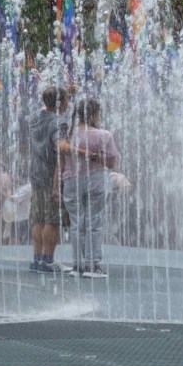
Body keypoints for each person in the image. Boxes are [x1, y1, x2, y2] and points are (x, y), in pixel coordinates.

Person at [60, 97, 119, 278]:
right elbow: (110, 163)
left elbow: (61, 155)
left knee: (77, 223)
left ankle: (78, 265)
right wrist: (95, 157)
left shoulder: (68, 134)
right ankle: (92, 265)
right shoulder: (104, 135)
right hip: (96, 179)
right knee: (94, 221)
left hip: (71, 180)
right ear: (94, 113)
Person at [21, 86, 72, 275]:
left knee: (38, 218)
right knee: (52, 220)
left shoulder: (35, 118)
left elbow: (48, 104)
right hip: (52, 175)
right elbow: (60, 148)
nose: (69, 102)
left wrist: (67, 92)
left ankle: (37, 260)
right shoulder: (59, 123)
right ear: (61, 103)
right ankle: (48, 261)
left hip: (35, 174)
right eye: (67, 99)